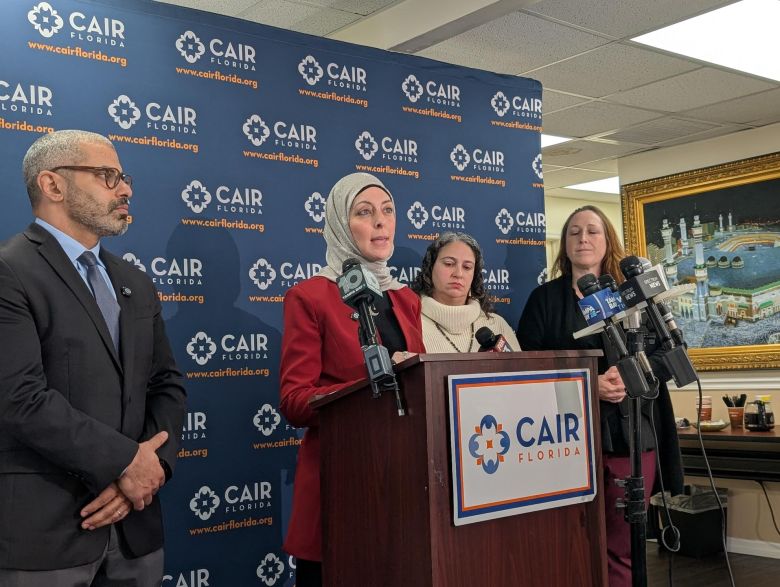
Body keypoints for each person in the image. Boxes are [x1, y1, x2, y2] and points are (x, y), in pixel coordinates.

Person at [0, 130, 186, 585]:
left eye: (124, 178)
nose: (125, 190)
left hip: (136, 527)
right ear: (53, 185)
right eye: (107, 176)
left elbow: (166, 386)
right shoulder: (10, 272)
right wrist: (126, 463)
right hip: (47, 535)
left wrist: (151, 469)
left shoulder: (135, 282)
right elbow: (19, 398)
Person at [516, 205, 682, 587]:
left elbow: (668, 354)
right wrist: (588, 384)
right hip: (564, 437)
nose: (583, 239)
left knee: (623, 544)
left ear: (607, 241)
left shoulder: (632, 296)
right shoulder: (544, 300)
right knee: (572, 541)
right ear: (564, 245)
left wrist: (631, 375)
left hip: (631, 435)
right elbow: (526, 367)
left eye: (592, 231)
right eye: (574, 232)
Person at [279, 172, 425, 586]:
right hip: (340, 488)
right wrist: (373, 386)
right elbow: (294, 400)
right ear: (342, 224)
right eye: (364, 212)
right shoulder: (310, 296)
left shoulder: (405, 298)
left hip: (402, 487)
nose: (380, 221)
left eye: (387, 211)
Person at [411, 232, 519, 353]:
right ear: (430, 268)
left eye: (467, 267)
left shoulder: (497, 324)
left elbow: (521, 371)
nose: (458, 274)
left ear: (475, 275)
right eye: (449, 264)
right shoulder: (410, 324)